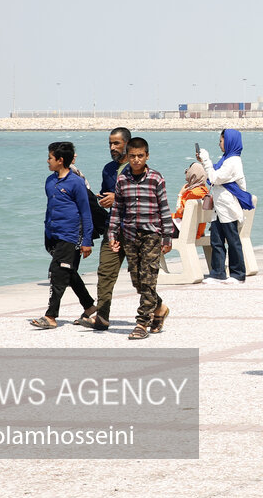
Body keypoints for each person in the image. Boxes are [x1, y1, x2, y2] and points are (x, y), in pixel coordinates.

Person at [108, 137, 174, 340]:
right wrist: (112, 233)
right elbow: (117, 209)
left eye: (140, 156)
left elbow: (164, 208)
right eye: (133, 156)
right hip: (129, 235)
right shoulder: (122, 180)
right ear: (127, 157)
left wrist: (167, 237)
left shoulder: (156, 178)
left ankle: (142, 323)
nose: (136, 160)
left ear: (147, 156)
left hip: (151, 235)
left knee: (148, 278)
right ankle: (160, 307)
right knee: (138, 281)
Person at [32, 141, 95, 328]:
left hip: (70, 236)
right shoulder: (50, 181)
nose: (47, 161)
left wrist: (87, 240)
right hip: (52, 235)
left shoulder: (76, 183)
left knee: (57, 273)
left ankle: (51, 316)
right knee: (69, 272)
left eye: (50, 158)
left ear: (60, 160)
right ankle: (90, 306)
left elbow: (85, 212)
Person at [78, 127, 129, 331]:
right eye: (110, 143)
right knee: (105, 273)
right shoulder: (108, 169)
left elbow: (144, 196)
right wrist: (102, 199)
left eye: (116, 143)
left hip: (134, 229)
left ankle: (158, 308)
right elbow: (106, 193)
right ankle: (102, 318)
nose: (112, 147)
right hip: (112, 228)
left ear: (127, 143)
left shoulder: (137, 167)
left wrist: (117, 198)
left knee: (140, 278)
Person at [198, 129, 254, 284]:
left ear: (229, 142)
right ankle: (218, 273)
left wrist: (207, 160)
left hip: (228, 208)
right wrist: (205, 162)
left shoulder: (233, 161)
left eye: (221, 140)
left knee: (232, 240)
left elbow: (215, 178)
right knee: (216, 241)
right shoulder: (226, 159)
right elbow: (213, 174)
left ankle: (238, 274)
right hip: (219, 208)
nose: (219, 143)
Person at [173, 162, 210, 240]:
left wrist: (180, 195)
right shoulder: (205, 191)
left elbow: (180, 213)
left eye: (187, 171)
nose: (186, 174)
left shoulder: (193, 193)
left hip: (187, 231)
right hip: (198, 230)